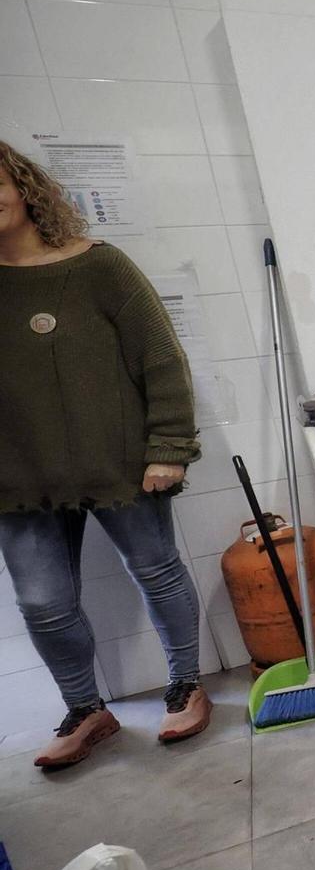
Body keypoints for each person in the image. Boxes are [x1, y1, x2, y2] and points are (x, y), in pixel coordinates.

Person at [0, 140, 212, 768]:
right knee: (42, 602)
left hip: (121, 466)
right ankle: (85, 710)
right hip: (17, 478)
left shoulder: (99, 266)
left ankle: (185, 685)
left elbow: (162, 359)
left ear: (23, 185)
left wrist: (169, 446)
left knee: (157, 570)